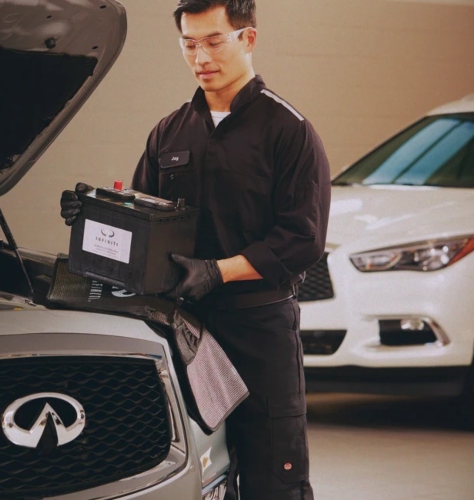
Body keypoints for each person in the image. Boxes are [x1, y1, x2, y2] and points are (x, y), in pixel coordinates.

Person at [60, 0, 330, 498]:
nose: (200, 56)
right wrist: (96, 218)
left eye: (213, 41)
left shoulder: (288, 131)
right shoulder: (170, 131)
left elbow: (302, 238)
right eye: (189, 44)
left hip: (258, 329)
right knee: (188, 469)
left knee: (275, 474)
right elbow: (143, 222)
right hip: (181, 328)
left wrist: (217, 272)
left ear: (246, 40)